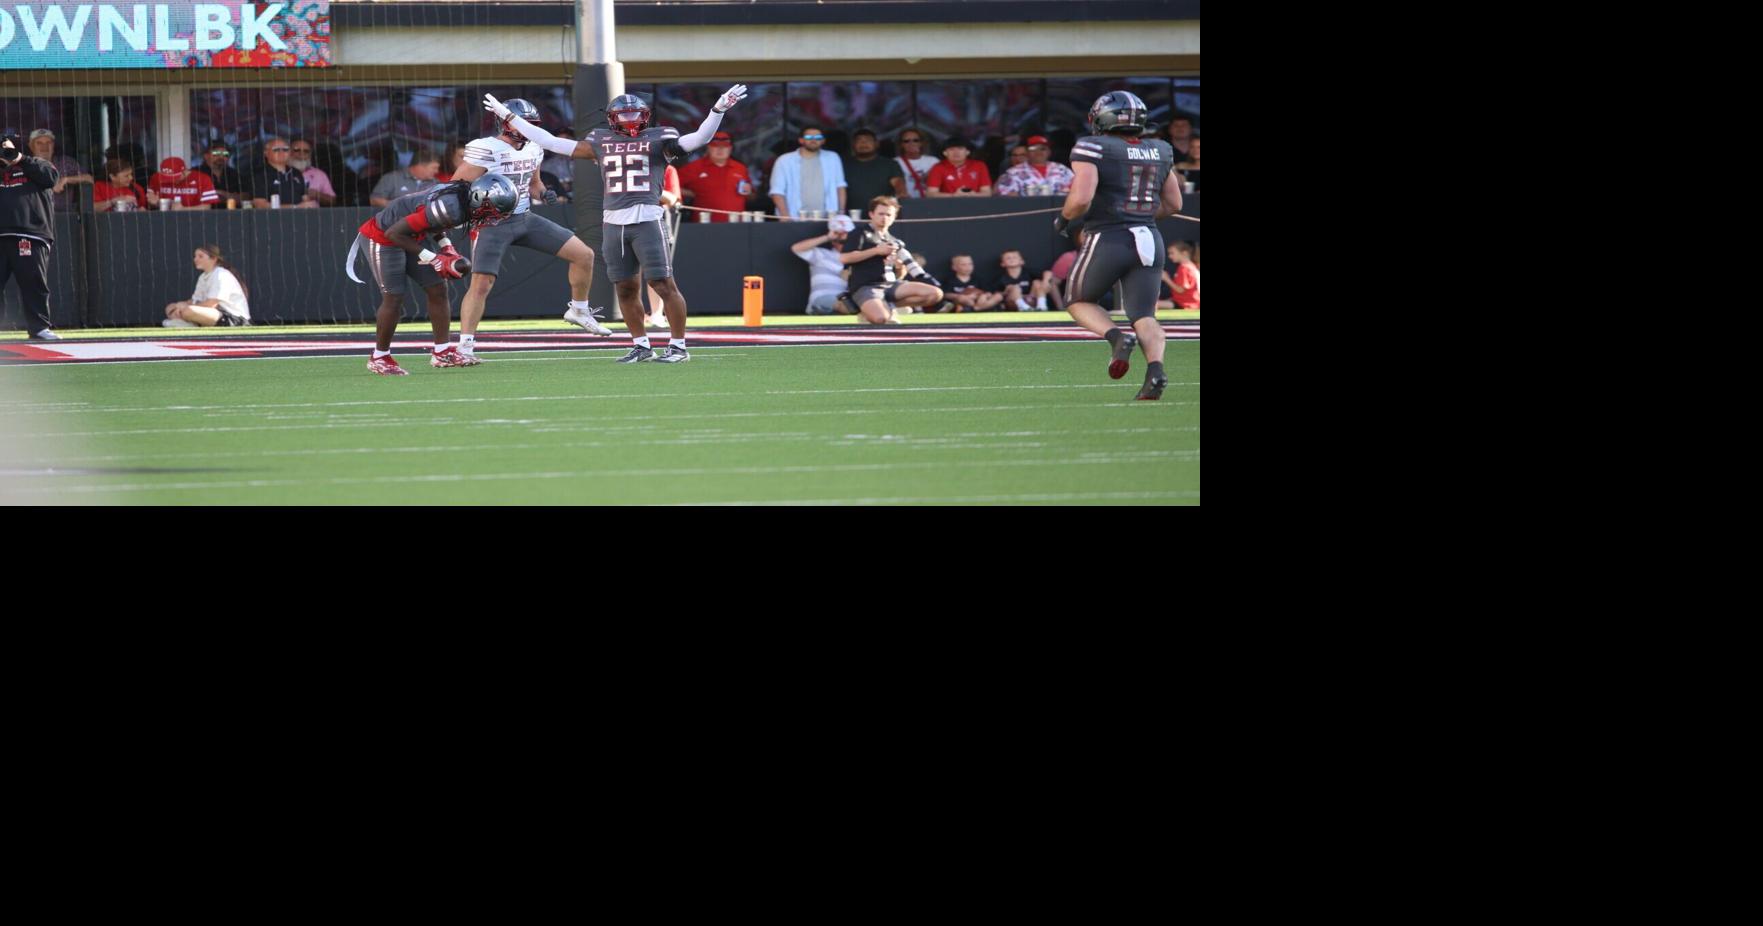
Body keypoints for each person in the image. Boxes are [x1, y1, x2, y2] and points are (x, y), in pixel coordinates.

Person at [488, 84, 748, 364]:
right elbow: (550, 142)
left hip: (647, 219)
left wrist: (717, 110)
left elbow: (699, 138)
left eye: (634, 114)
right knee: (624, 287)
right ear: (612, 118)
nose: (629, 120)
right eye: (623, 115)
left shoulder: (661, 138)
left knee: (663, 284)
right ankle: (641, 345)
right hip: (612, 222)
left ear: (646, 116)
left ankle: (678, 346)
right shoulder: (600, 141)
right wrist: (509, 117)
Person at [453, 98, 610, 362]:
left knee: (584, 255)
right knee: (481, 284)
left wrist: (545, 193)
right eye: (520, 123)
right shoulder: (487, 149)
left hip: (524, 217)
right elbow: (456, 185)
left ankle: (579, 310)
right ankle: (465, 346)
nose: (525, 128)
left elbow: (533, 183)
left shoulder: (534, 146)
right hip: (491, 222)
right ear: (504, 123)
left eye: (531, 124)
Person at [1056, 91, 1184, 400]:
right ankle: (1155, 370)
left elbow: (1082, 198)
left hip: (1110, 236)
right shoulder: (1161, 149)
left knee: (1078, 300)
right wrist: (1137, 215)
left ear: (1102, 118)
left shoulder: (1092, 146)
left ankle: (1116, 338)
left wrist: (1064, 219)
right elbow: (1174, 203)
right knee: (1144, 314)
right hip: (1149, 237)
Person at [345, 174, 520, 375]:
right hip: (383, 237)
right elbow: (394, 233)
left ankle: (442, 352)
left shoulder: (461, 201)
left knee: (437, 289)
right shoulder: (452, 206)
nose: (495, 217)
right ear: (479, 199)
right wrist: (435, 258)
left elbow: (433, 223)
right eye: (493, 211)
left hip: (411, 235)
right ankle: (379, 356)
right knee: (394, 297)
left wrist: (448, 248)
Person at [841, 195, 943, 325]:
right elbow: (844, 258)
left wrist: (899, 266)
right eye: (881, 214)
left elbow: (900, 275)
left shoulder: (894, 240)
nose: (885, 218)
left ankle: (887, 306)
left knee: (935, 294)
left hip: (890, 285)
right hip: (865, 286)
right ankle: (868, 310)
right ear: (871, 214)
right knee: (881, 319)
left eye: (889, 215)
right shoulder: (859, 232)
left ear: (894, 217)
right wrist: (876, 251)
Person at [0, 133, 61, 340]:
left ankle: (39, 328)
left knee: (33, 282)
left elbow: (51, 178)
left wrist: (19, 158)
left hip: (30, 234)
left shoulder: (36, 164)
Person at [769, 124, 846, 220]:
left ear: (823, 141)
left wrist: (841, 214)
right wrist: (785, 216)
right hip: (794, 218)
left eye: (818, 137)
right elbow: (777, 191)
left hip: (828, 219)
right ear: (801, 140)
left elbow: (840, 187)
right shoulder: (784, 160)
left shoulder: (833, 158)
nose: (813, 140)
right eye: (809, 137)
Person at [163, 244, 250, 327]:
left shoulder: (221, 274)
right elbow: (196, 300)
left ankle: (185, 325)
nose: (195, 259)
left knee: (188, 311)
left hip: (234, 319)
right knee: (170, 308)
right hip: (214, 314)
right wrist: (180, 305)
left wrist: (186, 307)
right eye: (195, 256)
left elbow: (212, 304)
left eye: (200, 256)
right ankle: (185, 325)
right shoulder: (203, 277)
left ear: (214, 258)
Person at [678, 131, 753, 222]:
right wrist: (690, 193)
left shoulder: (740, 168)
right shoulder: (695, 167)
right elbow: (668, 186)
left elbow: (752, 195)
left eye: (724, 146)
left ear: (730, 148)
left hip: (736, 225)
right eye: (715, 146)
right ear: (708, 148)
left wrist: (748, 192)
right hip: (704, 225)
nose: (720, 149)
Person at [792, 215, 855, 315]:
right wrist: (827, 237)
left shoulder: (859, 256)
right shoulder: (821, 254)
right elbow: (796, 248)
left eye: (846, 234)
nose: (842, 240)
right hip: (822, 298)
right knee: (846, 305)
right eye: (838, 235)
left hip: (848, 298)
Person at [27, 129, 92, 210]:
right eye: (39, 143)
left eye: (48, 143)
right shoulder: (25, 165)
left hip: (64, 216)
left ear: (53, 145)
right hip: (34, 214)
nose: (44, 147)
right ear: (31, 146)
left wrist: (65, 180)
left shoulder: (66, 162)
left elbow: (89, 179)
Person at [843, 129, 905, 212]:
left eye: (868, 140)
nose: (863, 143)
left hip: (882, 215)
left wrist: (902, 194)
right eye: (859, 140)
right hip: (852, 214)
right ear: (853, 145)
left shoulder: (890, 164)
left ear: (877, 144)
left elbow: (898, 184)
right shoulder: (844, 165)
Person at [996, 135, 1076, 197]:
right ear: (1027, 152)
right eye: (1033, 148)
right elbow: (1002, 195)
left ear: (1049, 152)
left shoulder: (1061, 169)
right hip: (1027, 212)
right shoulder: (1013, 172)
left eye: (1043, 148)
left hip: (1059, 211)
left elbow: (1077, 188)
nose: (1038, 152)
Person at [371, 149, 441, 206]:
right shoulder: (392, 178)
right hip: (396, 221)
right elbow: (374, 200)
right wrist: (398, 206)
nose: (437, 171)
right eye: (434, 168)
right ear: (420, 166)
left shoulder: (436, 183)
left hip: (424, 222)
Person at [926, 137, 992, 197]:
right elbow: (931, 194)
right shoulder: (938, 167)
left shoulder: (979, 166)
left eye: (960, 149)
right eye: (951, 149)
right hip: (948, 206)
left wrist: (973, 195)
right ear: (945, 153)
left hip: (976, 205)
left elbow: (987, 192)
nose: (956, 152)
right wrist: (953, 196)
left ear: (967, 152)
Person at [146, 157, 219, 210]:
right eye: (167, 178)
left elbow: (207, 207)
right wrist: (154, 203)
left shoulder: (203, 179)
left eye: (175, 177)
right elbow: (149, 204)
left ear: (185, 171)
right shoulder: (156, 178)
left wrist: (183, 209)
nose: (172, 181)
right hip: (164, 221)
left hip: (194, 221)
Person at [193, 142, 244, 206]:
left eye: (225, 154)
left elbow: (246, 197)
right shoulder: (194, 173)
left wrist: (221, 193)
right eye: (216, 153)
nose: (221, 157)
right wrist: (230, 196)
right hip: (202, 213)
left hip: (231, 214)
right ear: (206, 156)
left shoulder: (234, 174)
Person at [291, 139, 337, 206]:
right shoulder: (281, 172)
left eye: (306, 151)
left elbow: (332, 201)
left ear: (310, 155)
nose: (301, 154)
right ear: (289, 152)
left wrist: (316, 195)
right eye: (297, 150)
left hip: (312, 215)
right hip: (285, 215)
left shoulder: (319, 174)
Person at [894, 128, 938, 199]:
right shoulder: (895, 162)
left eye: (916, 140)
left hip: (930, 202)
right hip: (906, 203)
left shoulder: (933, 161)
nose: (911, 143)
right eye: (906, 141)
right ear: (901, 144)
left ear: (921, 143)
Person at [1162, 240, 1200, 310]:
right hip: (1185, 301)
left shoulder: (1184, 268)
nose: (1170, 256)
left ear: (1184, 253)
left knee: (1155, 304)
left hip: (1186, 304)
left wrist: (1166, 279)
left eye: (1172, 253)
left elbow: (1180, 290)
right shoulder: (1190, 266)